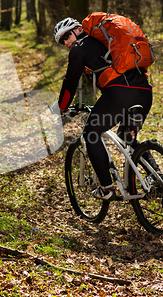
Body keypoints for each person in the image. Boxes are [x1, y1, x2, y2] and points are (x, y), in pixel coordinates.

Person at [54, 16, 153, 201]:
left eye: (67, 36)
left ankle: (107, 188)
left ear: (78, 29)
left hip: (120, 94)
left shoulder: (79, 48)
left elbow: (70, 82)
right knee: (127, 136)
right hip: (144, 91)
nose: (66, 42)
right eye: (62, 41)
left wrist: (61, 108)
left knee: (91, 133)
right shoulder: (106, 42)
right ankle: (156, 178)